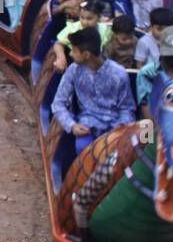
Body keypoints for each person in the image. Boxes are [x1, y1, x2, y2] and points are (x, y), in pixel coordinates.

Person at [51, 25, 136, 153]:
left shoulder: (119, 74)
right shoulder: (73, 71)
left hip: (114, 128)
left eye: (74, 50)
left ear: (86, 54)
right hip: (87, 127)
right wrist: (72, 125)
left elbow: (127, 109)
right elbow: (58, 103)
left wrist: (119, 131)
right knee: (83, 149)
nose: (70, 54)